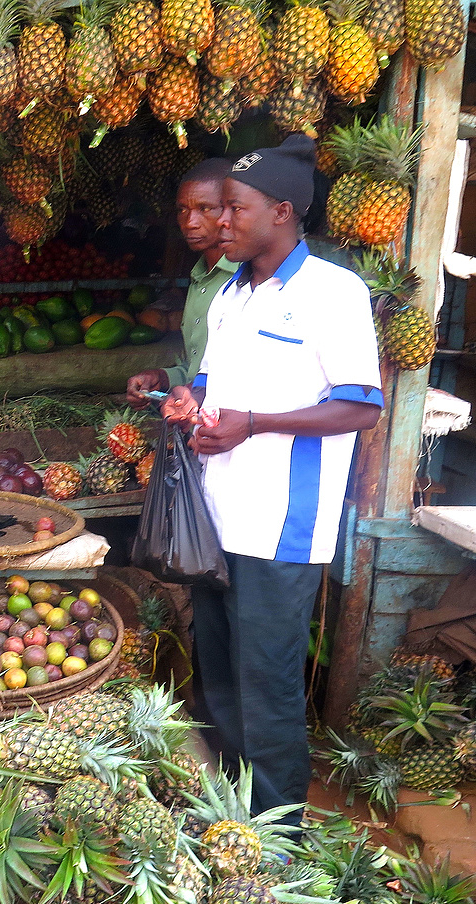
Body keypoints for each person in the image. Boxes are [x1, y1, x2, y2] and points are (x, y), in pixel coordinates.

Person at [162, 135, 383, 825]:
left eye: (234, 208)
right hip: (216, 519)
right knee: (220, 680)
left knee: (267, 686)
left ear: (280, 212)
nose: (218, 222)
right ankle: (232, 814)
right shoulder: (231, 292)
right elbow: (210, 383)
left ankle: (280, 832)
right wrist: (186, 401)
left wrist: (253, 424)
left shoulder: (331, 292)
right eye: (218, 208)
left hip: (280, 525)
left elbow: (360, 405)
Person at [126, 159, 239, 409]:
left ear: (233, 210)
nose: (190, 222)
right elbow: (198, 369)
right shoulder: (199, 278)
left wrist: (192, 394)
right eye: (182, 210)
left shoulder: (249, 280)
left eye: (205, 208)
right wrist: (161, 378)